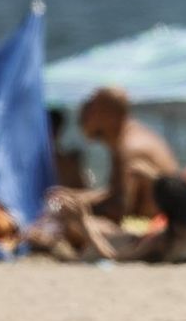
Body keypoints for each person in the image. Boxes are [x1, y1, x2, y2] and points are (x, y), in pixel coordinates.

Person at [50, 175, 186, 263]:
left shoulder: (164, 241)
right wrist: (183, 193)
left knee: (107, 229)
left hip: (130, 244)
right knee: (114, 230)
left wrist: (84, 221)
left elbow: (113, 256)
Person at [72, 86, 178, 222]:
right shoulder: (128, 136)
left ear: (110, 114)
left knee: (67, 227)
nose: (83, 116)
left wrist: (75, 208)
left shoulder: (130, 148)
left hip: (156, 228)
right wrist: (77, 198)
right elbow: (116, 192)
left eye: (90, 110)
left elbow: (118, 210)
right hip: (153, 223)